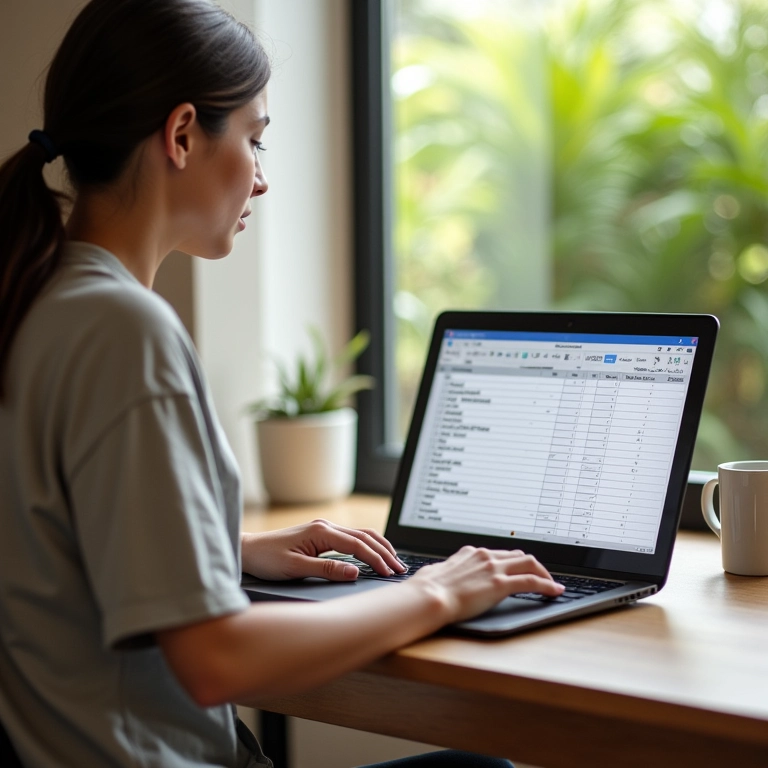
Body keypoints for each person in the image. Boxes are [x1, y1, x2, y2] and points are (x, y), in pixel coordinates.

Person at [0, 1, 564, 766]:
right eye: (255, 140)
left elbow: (46, 548)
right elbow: (216, 661)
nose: (262, 181)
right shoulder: (123, 330)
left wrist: (225, 550)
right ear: (181, 135)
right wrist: (438, 591)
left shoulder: (32, 296)